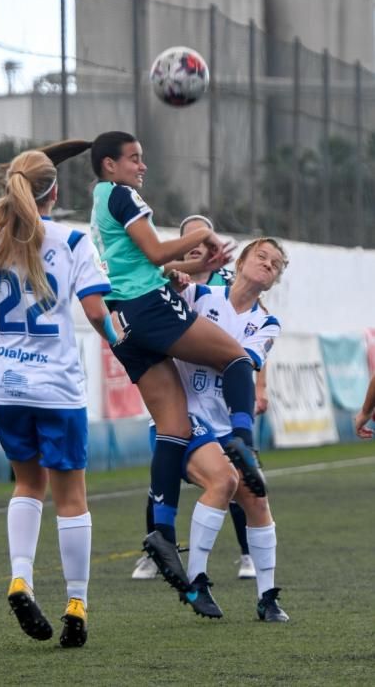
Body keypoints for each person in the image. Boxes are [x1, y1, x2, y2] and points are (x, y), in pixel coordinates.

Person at [0, 143, 123, 649]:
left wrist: (2, 340)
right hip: (57, 386)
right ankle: (76, 603)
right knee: (72, 497)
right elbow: (94, 311)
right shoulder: (71, 239)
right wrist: (121, 345)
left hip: (3, 385)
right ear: (56, 191)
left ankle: (20, 578)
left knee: (27, 485)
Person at [88, 130, 265, 594]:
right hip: (148, 307)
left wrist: (196, 262)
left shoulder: (100, 200)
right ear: (110, 164)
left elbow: (156, 265)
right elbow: (156, 252)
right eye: (134, 159)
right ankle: (243, 444)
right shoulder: (122, 194)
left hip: (123, 321)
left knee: (173, 428)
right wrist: (202, 233)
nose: (141, 167)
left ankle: (162, 536)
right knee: (236, 359)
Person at [132, 214, 260, 581]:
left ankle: (246, 553)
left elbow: (248, 332)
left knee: (234, 473)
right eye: (188, 239)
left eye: (203, 239)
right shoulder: (169, 278)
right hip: (180, 391)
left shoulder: (225, 286)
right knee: (166, 466)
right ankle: (157, 548)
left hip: (217, 398)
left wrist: (258, 387)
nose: (196, 245)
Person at [172, 237, 290, 621]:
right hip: (185, 416)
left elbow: (240, 362)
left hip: (226, 427)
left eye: (276, 264)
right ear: (240, 262)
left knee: (256, 498)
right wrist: (176, 280)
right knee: (223, 481)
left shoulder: (267, 323)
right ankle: (196, 581)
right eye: (262, 256)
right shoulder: (200, 295)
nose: (268, 265)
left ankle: (267, 596)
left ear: (273, 282)